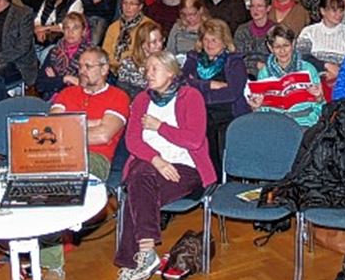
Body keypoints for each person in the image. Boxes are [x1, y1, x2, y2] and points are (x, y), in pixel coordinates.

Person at [112, 52, 213, 280]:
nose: (148, 74)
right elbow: (132, 140)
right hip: (152, 165)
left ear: (171, 73)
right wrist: (157, 160)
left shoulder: (191, 97)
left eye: (154, 69)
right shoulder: (142, 100)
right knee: (140, 180)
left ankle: (130, 265)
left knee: (137, 189)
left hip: (185, 167)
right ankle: (145, 253)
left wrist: (160, 127)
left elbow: (194, 139)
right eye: (147, 69)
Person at [41, 46, 130, 280]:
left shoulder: (118, 97)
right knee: (34, 182)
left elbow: (104, 135)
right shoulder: (67, 93)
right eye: (80, 66)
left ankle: (53, 267)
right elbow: (52, 127)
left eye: (88, 66)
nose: (82, 71)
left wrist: (72, 124)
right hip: (57, 156)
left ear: (104, 69)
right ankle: (35, 240)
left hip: (95, 159)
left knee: (57, 186)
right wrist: (91, 122)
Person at [181, 19, 248, 174]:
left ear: (224, 42)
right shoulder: (194, 59)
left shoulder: (234, 61)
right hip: (198, 112)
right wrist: (208, 85)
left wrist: (197, 89)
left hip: (227, 114)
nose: (209, 44)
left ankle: (219, 179)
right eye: (205, 39)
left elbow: (232, 93)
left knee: (215, 132)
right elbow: (183, 84)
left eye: (214, 40)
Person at [248, 24, 323, 128]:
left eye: (286, 45)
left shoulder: (308, 69)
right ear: (270, 48)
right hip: (276, 123)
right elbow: (262, 110)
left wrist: (318, 98)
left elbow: (320, 106)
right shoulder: (265, 73)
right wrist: (256, 107)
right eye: (277, 47)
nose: (282, 51)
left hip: (304, 122)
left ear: (293, 44)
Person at [295, 0, 345, 90]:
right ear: (323, 11)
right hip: (313, 81)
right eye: (334, 11)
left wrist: (339, 72)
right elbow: (301, 57)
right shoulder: (309, 31)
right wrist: (326, 66)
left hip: (342, 81)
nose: (338, 15)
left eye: (341, 11)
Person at [35, 12, 92, 100]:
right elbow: (40, 85)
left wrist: (55, 80)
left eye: (75, 28)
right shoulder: (54, 52)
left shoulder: (91, 54)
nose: (70, 32)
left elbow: (90, 87)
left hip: (81, 101)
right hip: (54, 99)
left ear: (83, 31)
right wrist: (65, 79)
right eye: (67, 28)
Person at [102, 0, 152, 72]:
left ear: (140, 6)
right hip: (111, 69)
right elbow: (105, 52)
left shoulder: (148, 26)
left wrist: (122, 64)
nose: (127, 7)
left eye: (132, 4)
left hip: (136, 69)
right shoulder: (113, 27)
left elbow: (143, 54)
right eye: (125, 3)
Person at [116, 20, 165, 98]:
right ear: (143, 44)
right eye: (154, 42)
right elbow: (122, 94)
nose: (159, 45)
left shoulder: (166, 63)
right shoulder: (128, 65)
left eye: (161, 40)